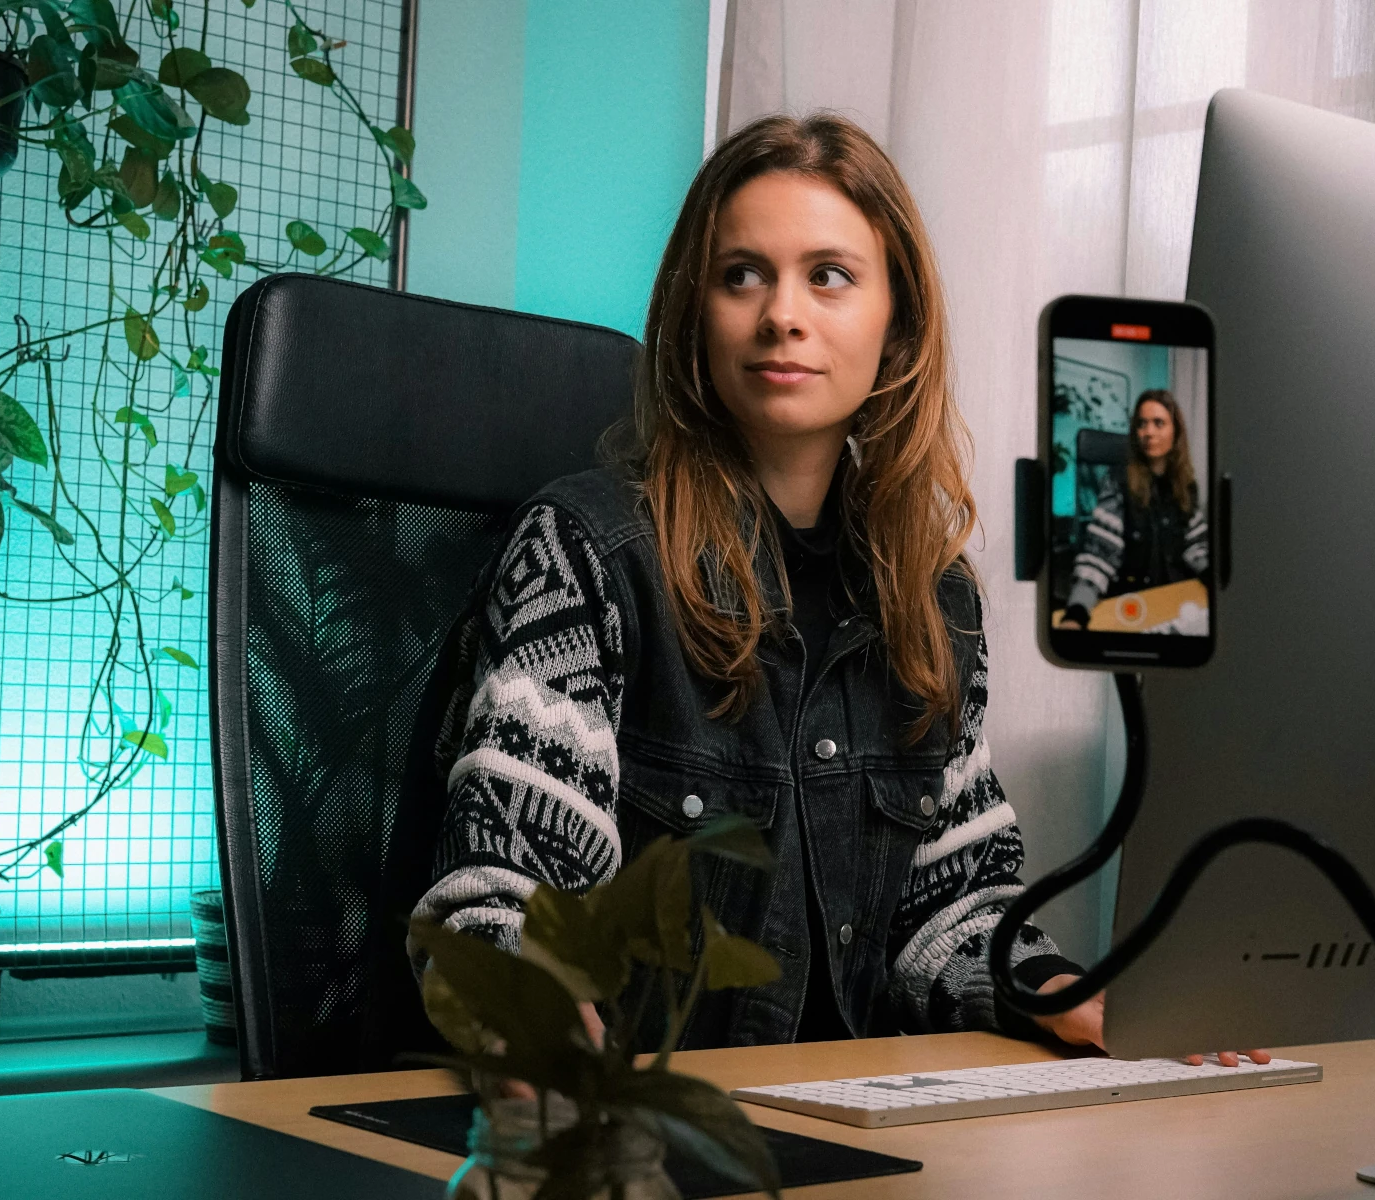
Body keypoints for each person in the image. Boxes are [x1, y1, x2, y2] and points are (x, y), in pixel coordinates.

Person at [408, 113, 1262, 1065]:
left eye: (829, 275)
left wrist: (1069, 995)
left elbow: (953, 909)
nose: (782, 312)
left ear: (896, 325)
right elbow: (501, 899)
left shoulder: (933, 599)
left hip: (859, 1127)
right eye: (742, 275)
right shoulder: (587, 554)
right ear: (698, 316)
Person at [1058, 390, 1209, 630]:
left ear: (1175, 432)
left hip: (1176, 603)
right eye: (1142, 424)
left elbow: (1196, 546)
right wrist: (1077, 612)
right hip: (1134, 607)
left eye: (1159, 423)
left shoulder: (1186, 485)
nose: (1149, 432)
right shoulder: (1118, 482)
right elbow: (1100, 554)